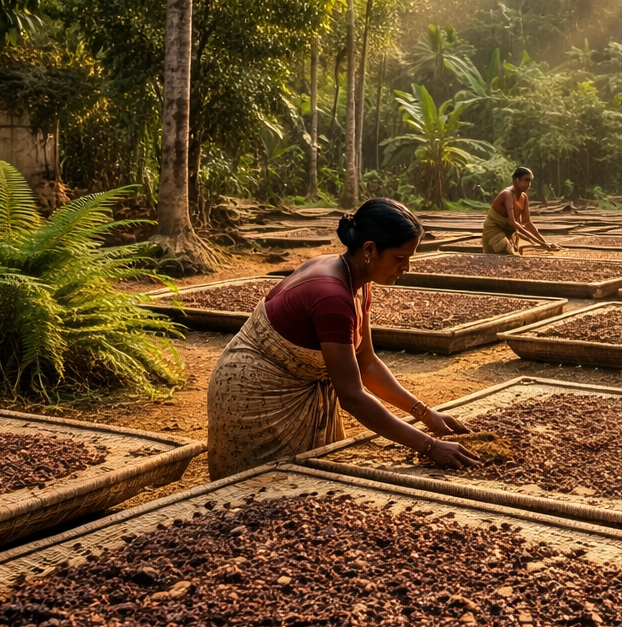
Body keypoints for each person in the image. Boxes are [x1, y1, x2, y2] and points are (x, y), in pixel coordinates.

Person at [206, 198, 480, 479]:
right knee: (258, 492)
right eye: (400, 258)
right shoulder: (332, 296)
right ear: (370, 249)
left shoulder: (357, 281)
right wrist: (429, 445)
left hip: (295, 389)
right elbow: (352, 396)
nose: (406, 267)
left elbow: (367, 363)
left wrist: (426, 414)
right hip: (258, 396)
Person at [482, 166, 561, 255]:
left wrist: (545, 242)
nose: (529, 184)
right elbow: (514, 223)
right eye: (526, 180)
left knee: (530, 249)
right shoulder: (507, 194)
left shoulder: (524, 197)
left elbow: (527, 223)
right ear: (516, 180)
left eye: (530, 181)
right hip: (494, 232)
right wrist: (542, 244)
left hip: (510, 233)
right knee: (505, 249)